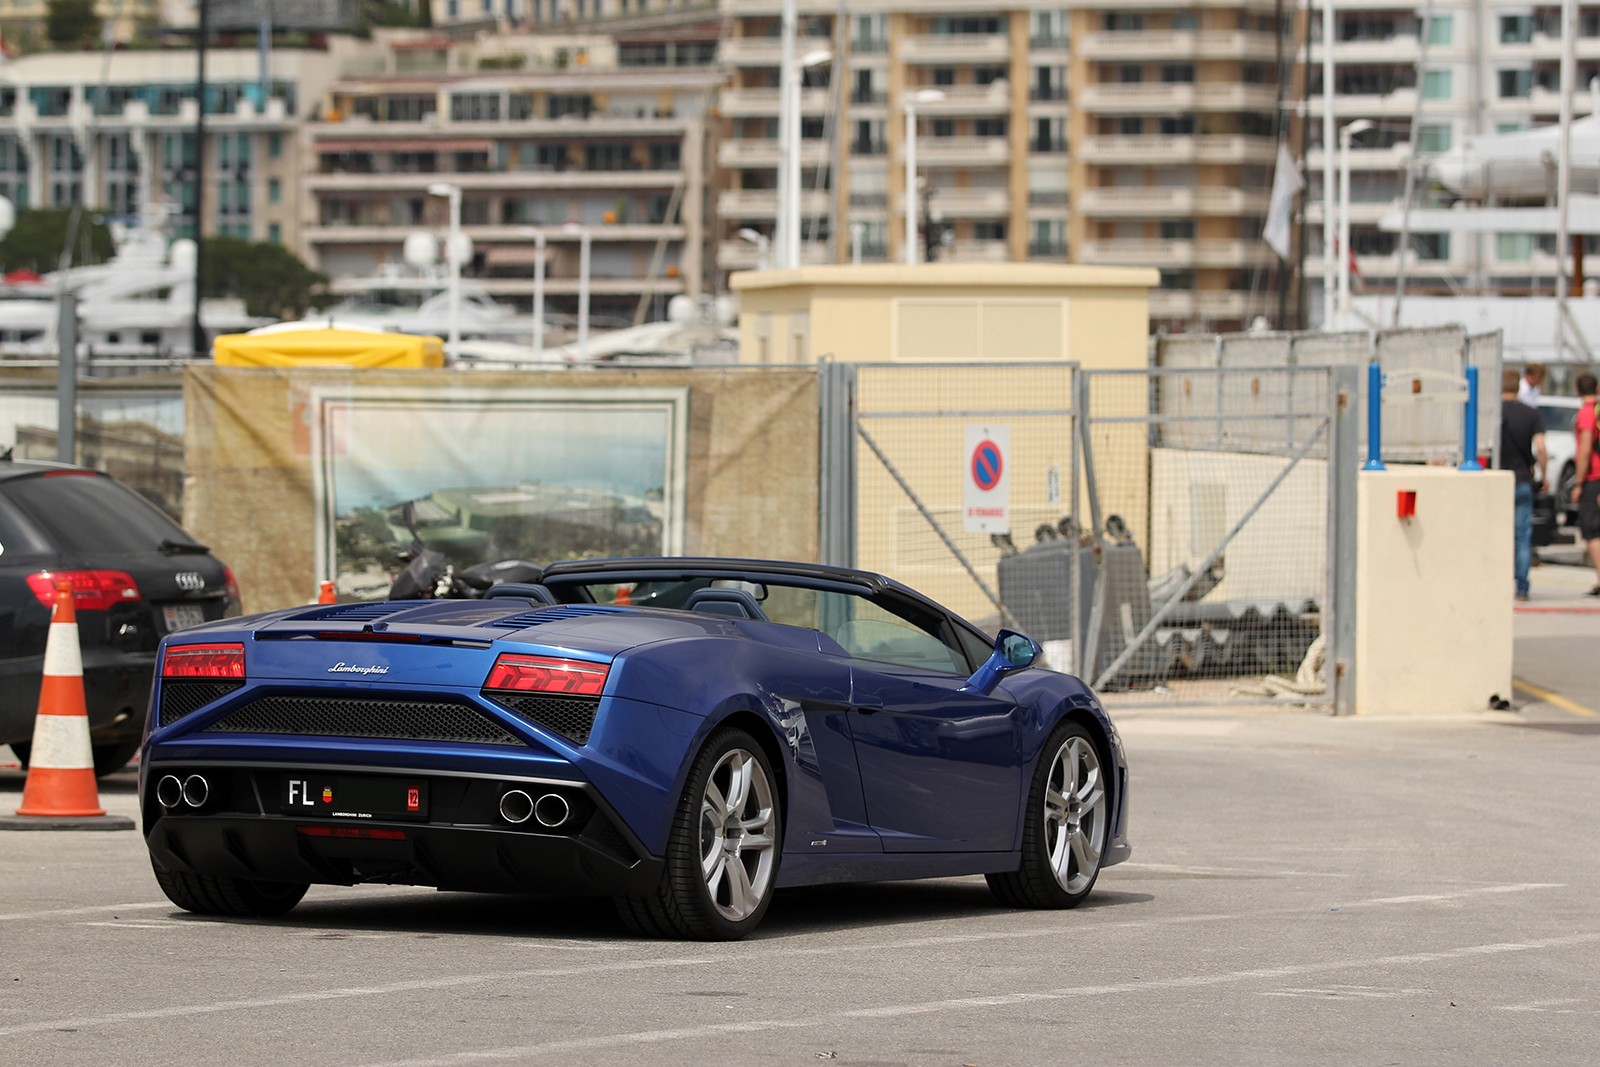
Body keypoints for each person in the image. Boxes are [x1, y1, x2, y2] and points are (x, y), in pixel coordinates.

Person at [1499, 369, 1546, 601]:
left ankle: (1496, 581)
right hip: (1523, 480)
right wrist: (1543, 475)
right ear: (1518, 386)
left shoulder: (1493, 414)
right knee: (1522, 536)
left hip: (1498, 481)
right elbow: (1541, 448)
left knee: (1497, 533)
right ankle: (1522, 587)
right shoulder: (1531, 414)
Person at [1570, 372, 1600, 595]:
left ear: (1577, 390)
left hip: (1593, 477)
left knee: (1591, 531)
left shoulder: (1586, 414)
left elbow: (1585, 449)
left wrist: (1579, 483)